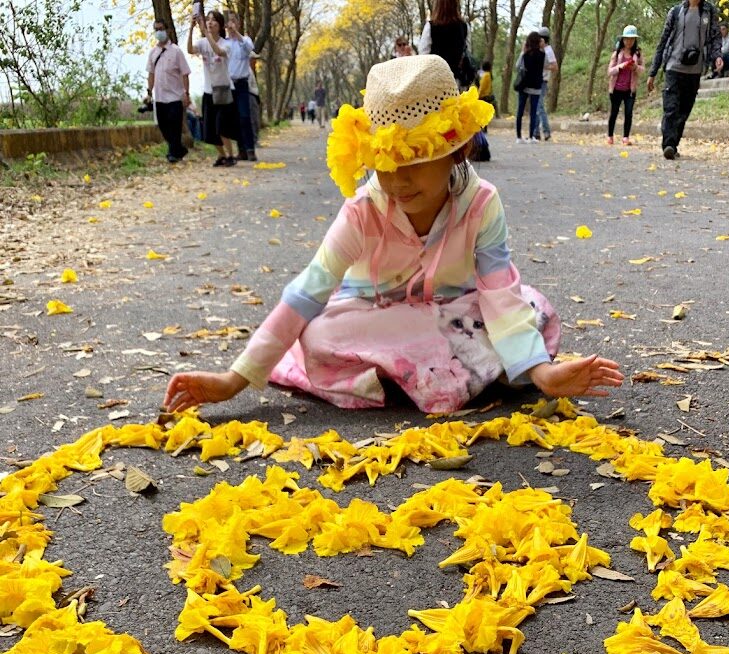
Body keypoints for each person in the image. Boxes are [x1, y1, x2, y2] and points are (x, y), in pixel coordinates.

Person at [163, 55, 623, 417]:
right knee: (318, 334)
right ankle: (466, 372)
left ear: (457, 151)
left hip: (459, 313)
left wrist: (542, 374)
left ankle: (423, 373)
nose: (399, 182)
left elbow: (499, 295)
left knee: (534, 307)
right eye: (386, 165)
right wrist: (233, 379)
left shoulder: (482, 203)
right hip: (375, 314)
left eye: (415, 161)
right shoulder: (364, 210)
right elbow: (307, 292)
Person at [647, 0, 722, 160]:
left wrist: (717, 56)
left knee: (684, 111)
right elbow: (663, 42)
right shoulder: (675, 12)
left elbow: (715, 37)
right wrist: (653, 72)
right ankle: (669, 144)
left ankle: (673, 144)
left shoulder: (709, 11)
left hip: (695, 70)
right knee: (671, 107)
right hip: (673, 67)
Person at [188, 11, 238, 166]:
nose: (210, 23)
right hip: (208, 91)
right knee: (210, 129)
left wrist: (205, 32)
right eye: (208, 20)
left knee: (222, 126)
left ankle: (231, 156)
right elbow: (190, 49)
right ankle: (221, 155)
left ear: (221, 25)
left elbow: (218, 51)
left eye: (214, 21)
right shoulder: (202, 43)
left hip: (223, 90)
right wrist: (191, 29)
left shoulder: (227, 44)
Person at [146, 20, 191, 164]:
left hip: (175, 96)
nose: (159, 32)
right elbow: (151, 74)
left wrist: (186, 93)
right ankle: (179, 149)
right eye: (156, 29)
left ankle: (172, 153)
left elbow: (185, 73)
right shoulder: (153, 53)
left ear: (167, 30)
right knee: (163, 126)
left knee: (174, 125)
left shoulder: (176, 51)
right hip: (160, 97)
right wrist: (149, 92)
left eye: (161, 29)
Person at [418, 0, 471, 86]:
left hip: (434, 80)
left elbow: (423, 55)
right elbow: (467, 51)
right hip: (456, 81)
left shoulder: (431, 27)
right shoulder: (464, 27)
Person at [606, 26, 644, 145]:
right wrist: (620, 67)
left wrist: (635, 67)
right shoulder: (617, 54)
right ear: (623, 40)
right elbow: (609, 71)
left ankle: (626, 137)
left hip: (630, 90)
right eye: (627, 39)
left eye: (632, 39)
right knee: (614, 112)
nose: (629, 42)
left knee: (628, 113)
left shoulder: (637, 54)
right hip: (616, 89)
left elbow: (642, 70)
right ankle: (610, 135)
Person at [226, 13, 256, 160]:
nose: (231, 25)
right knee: (235, 119)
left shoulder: (244, 40)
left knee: (245, 116)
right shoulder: (224, 43)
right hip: (229, 85)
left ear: (238, 24)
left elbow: (250, 48)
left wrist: (236, 34)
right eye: (229, 22)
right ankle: (241, 150)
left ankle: (250, 149)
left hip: (242, 84)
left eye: (234, 21)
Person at [515, 31, 545, 143]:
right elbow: (546, 65)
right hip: (536, 86)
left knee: (520, 111)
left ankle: (518, 137)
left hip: (525, 85)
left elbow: (517, 66)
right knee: (533, 112)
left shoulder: (526, 55)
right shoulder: (542, 55)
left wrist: (522, 52)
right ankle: (532, 136)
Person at [534, 27, 557, 141]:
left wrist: (543, 67)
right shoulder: (541, 50)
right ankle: (536, 132)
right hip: (537, 80)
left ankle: (545, 131)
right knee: (538, 106)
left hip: (543, 81)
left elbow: (554, 67)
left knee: (539, 106)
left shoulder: (548, 51)